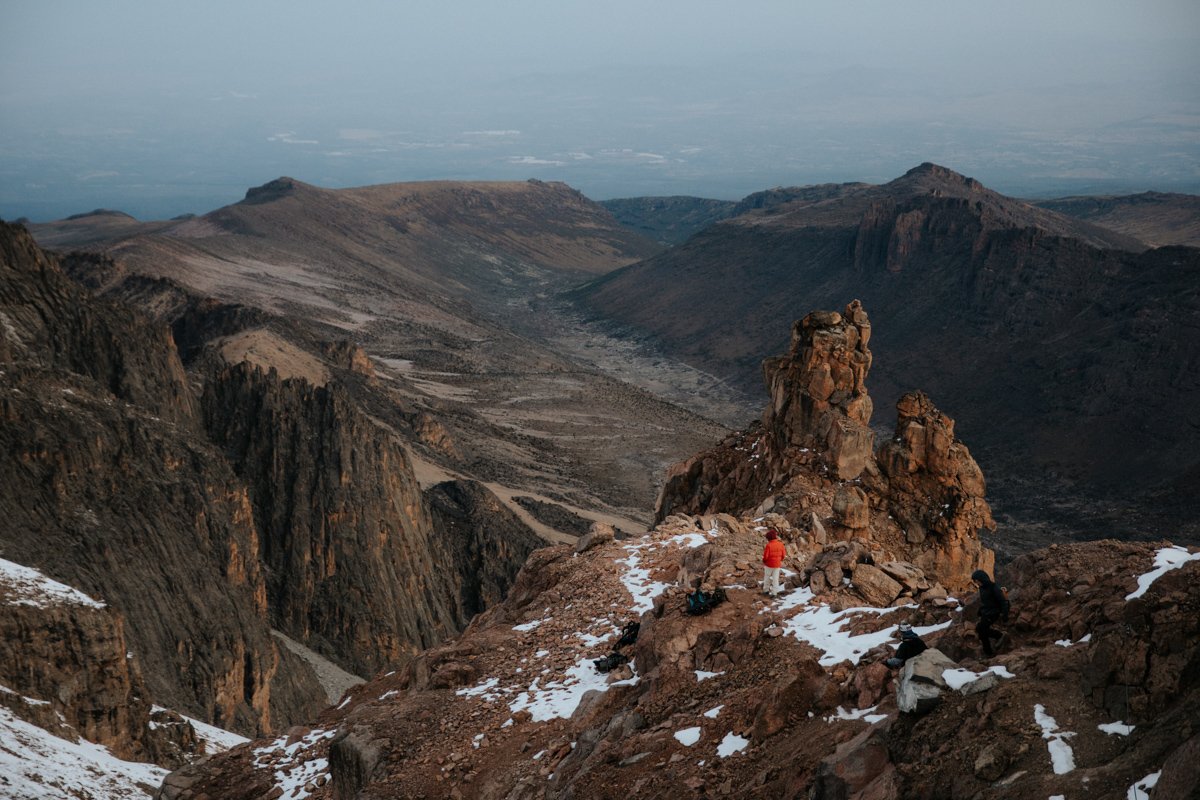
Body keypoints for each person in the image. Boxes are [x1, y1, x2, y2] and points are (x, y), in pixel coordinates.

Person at [972, 569, 1010, 656]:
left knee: (982, 631)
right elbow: (986, 601)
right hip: (987, 612)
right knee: (979, 628)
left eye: (977, 581)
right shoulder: (982, 588)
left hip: (994, 612)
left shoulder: (993, 587)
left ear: (982, 579)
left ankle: (989, 652)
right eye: (975, 582)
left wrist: (1005, 615)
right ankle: (999, 636)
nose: (976, 583)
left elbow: (1003, 601)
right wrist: (980, 610)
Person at [762, 528, 786, 597]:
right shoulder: (781, 544)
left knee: (767, 577)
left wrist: (764, 561)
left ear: (769, 538)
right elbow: (783, 555)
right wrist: (779, 560)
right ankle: (774, 593)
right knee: (775, 579)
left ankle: (766, 590)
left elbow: (766, 557)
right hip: (777, 565)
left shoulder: (768, 545)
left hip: (769, 565)